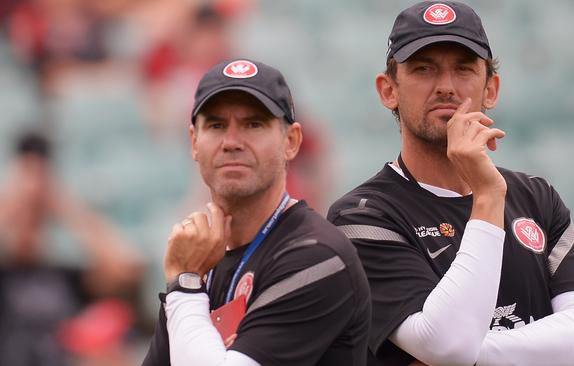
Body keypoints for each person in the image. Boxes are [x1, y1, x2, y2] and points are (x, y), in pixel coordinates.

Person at [327, 1, 574, 365]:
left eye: (463, 69)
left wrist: (474, 355)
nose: (446, 87)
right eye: (423, 69)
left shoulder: (537, 199)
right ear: (389, 90)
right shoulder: (361, 218)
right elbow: (448, 344)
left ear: (491, 89)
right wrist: (489, 195)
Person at [142, 58, 371, 366]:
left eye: (253, 124)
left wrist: (184, 284)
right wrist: (187, 282)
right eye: (216, 125)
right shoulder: (202, 258)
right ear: (194, 143)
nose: (232, 142)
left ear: (291, 142)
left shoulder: (317, 255)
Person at [0, 132, 142, 366]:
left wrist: (62, 204)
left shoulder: (63, 274)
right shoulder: (6, 274)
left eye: (35, 216)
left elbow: (126, 268)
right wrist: (14, 200)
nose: (28, 224)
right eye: (21, 217)